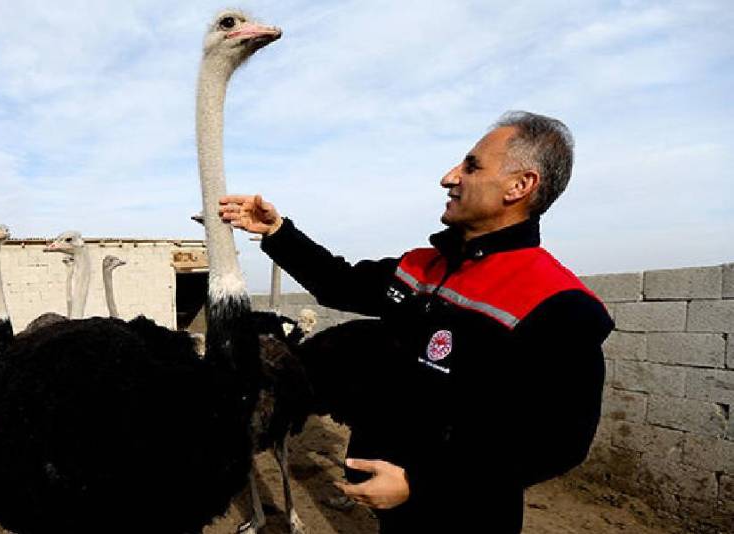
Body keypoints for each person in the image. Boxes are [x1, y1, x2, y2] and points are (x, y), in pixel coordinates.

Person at [219, 111, 613, 533]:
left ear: (520, 186)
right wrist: (277, 232)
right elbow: (341, 283)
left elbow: (559, 442)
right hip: (392, 506)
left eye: (471, 166)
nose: (448, 177)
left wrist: (420, 483)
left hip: (465, 511)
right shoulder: (422, 267)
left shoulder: (558, 304)